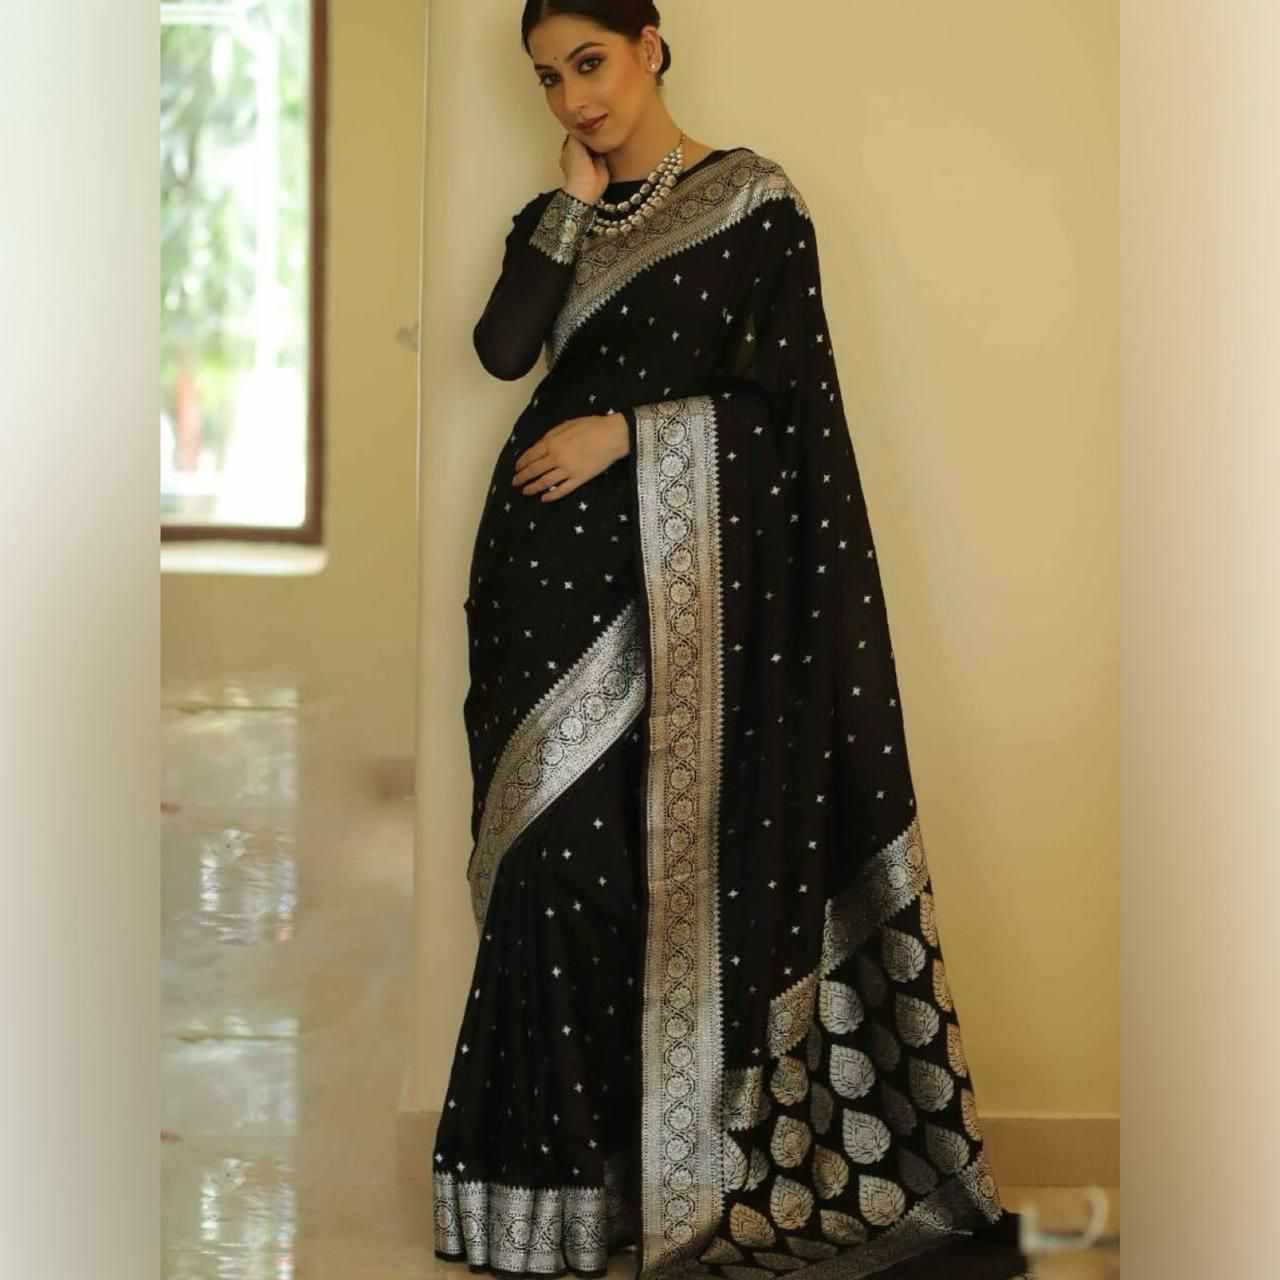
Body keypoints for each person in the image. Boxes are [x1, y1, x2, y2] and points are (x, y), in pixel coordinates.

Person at [431, 4, 1033, 1279]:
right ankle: (548, 1196)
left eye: (589, 63)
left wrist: (627, 432)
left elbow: (788, 415)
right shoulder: (557, 218)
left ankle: (666, 1174)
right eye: (547, 79)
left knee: (640, 878)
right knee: (553, 875)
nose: (574, 98)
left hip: (685, 590)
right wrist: (567, 204)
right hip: (541, 586)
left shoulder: (754, 205)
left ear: (649, 44)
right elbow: (501, 349)